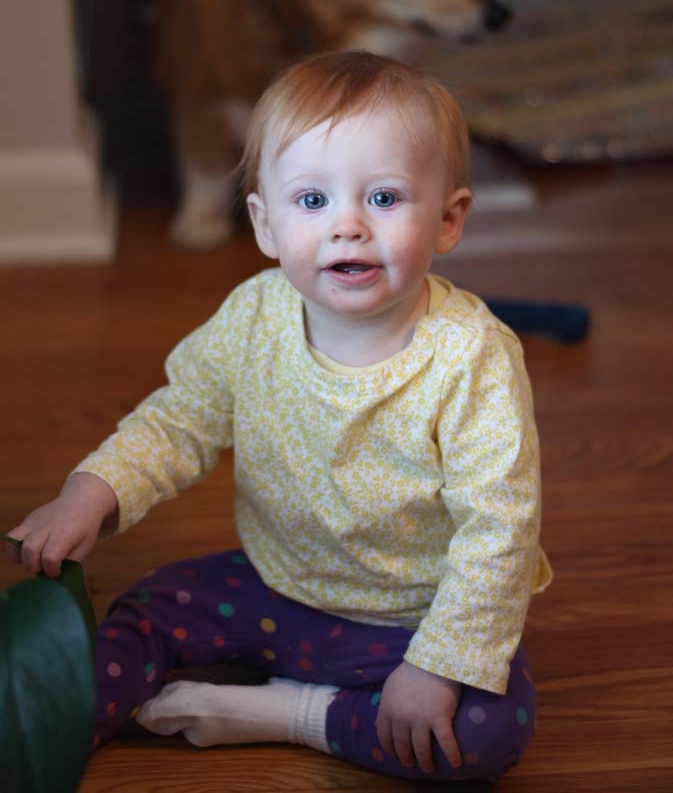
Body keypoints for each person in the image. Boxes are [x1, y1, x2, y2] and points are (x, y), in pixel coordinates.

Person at [6, 51, 552, 782]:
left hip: (409, 621)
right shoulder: (254, 315)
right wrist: (92, 489)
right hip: (272, 584)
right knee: (145, 612)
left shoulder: (471, 358)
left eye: (384, 199)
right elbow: (180, 421)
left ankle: (293, 714)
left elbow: (500, 529)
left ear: (449, 219)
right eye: (312, 201)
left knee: (484, 731)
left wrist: (437, 664)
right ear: (264, 224)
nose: (348, 227)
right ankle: (46, 729)